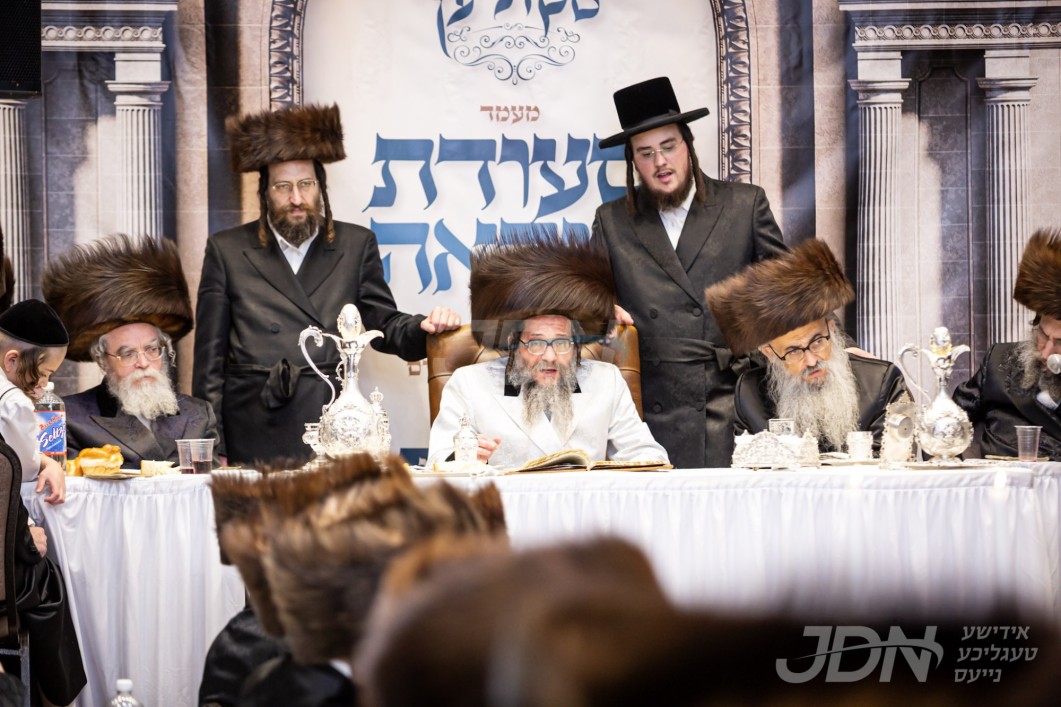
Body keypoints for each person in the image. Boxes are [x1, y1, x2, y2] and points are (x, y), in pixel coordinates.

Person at [193, 103, 461, 465]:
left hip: (329, 421)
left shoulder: (355, 245)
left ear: (320, 186)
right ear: (265, 192)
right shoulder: (226, 250)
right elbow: (209, 365)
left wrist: (423, 328)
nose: (296, 199)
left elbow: (383, 325)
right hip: (253, 424)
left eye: (306, 184)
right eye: (283, 187)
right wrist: (213, 448)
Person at [592, 76, 788, 469]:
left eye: (668, 147)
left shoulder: (744, 205)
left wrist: (836, 344)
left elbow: (785, 290)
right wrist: (599, 306)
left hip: (730, 401)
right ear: (633, 161)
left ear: (688, 145)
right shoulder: (611, 221)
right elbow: (588, 294)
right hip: (648, 411)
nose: (660, 162)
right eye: (646, 153)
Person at [427, 232, 668, 468]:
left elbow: (649, 456)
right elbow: (438, 461)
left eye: (562, 343)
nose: (550, 357)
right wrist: (465, 458)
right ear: (513, 343)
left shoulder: (607, 380)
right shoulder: (469, 384)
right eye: (536, 343)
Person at [706, 239, 908, 454]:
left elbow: (893, 466)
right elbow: (749, 469)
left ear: (832, 330)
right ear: (770, 354)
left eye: (817, 342)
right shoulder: (750, 395)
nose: (811, 361)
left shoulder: (880, 382)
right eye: (793, 351)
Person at [42, 234, 220, 466]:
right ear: (103, 361)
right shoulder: (69, 418)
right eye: (128, 354)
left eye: (152, 349)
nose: (143, 363)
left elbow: (211, 484)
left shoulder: (198, 414)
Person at [0, 301, 87, 705]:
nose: (44, 386)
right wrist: (23, 535)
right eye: (46, 374)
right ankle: (57, 693)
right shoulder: (12, 402)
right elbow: (14, 470)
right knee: (46, 575)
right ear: (12, 360)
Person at [954, 228, 1061, 459]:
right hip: (998, 479)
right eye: (1043, 336)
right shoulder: (999, 362)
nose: (1046, 354)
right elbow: (947, 423)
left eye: (1060, 343)